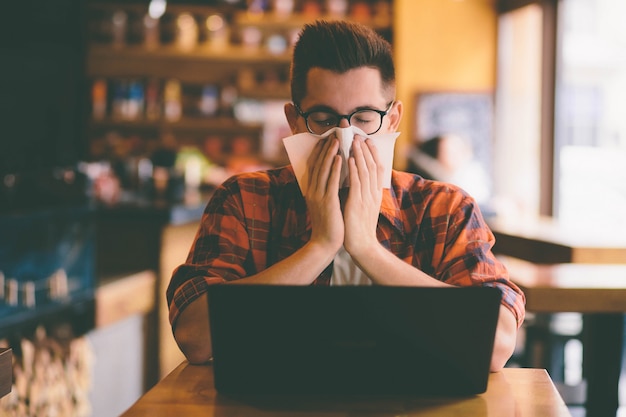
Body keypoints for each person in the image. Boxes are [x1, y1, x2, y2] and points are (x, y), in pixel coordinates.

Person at [167, 20, 525, 372]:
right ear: (294, 121)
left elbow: (496, 345)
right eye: (323, 119)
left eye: (364, 118)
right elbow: (195, 337)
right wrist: (319, 247)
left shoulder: (445, 208)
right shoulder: (244, 200)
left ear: (392, 119)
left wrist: (367, 249)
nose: (344, 137)